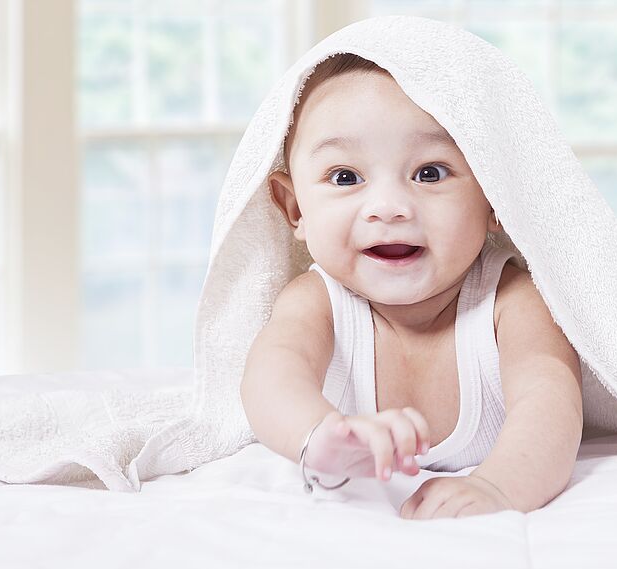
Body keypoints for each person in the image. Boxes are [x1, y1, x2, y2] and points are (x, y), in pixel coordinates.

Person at [240, 53, 584, 519]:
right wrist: (315, 437)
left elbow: (550, 401)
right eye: (345, 177)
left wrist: (498, 488)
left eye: (430, 172)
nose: (388, 207)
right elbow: (271, 378)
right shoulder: (317, 303)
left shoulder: (509, 301)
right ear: (295, 208)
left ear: (495, 195)